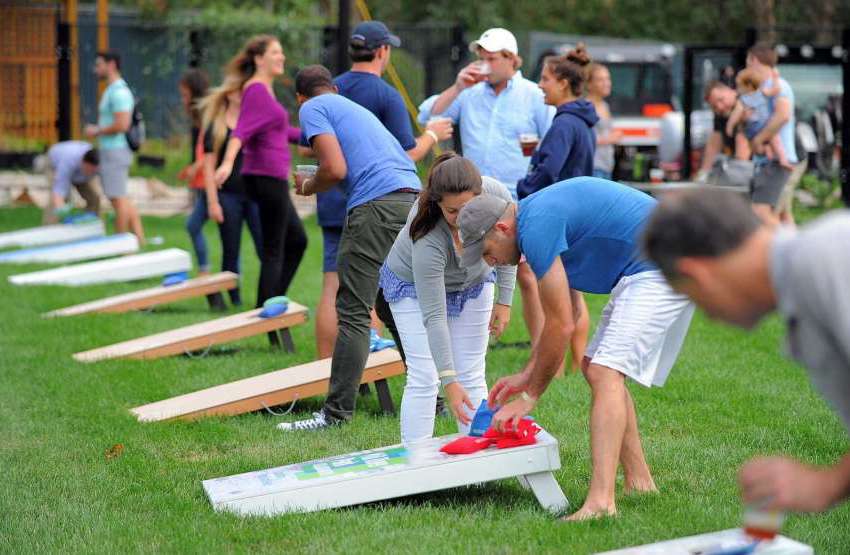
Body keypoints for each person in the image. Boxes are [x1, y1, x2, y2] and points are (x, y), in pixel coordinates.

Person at [457, 177, 694, 520]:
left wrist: (530, 396)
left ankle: (600, 503)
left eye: (485, 251)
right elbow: (560, 317)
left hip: (662, 262)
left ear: (501, 228)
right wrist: (528, 373)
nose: (489, 261)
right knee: (595, 365)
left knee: (604, 370)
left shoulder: (536, 228)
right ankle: (640, 481)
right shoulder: (535, 220)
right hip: (647, 264)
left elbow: (561, 324)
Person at [642, 189, 850, 515]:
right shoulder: (805, 284)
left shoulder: (828, 255)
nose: (710, 317)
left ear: (699, 274)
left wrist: (828, 483)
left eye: (693, 299)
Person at [277, 65, 421, 431]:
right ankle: (432, 398)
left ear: (300, 98)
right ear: (336, 88)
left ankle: (334, 415)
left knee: (353, 309)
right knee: (391, 305)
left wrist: (308, 186)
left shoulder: (313, 107)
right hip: (412, 200)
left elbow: (335, 169)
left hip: (377, 206)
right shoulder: (356, 109)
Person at [310, 20, 453, 359]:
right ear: (382, 51)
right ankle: (368, 363)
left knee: (334, 285)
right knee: (377, 288)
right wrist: (432, 135)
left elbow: (312, 144)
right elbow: (404, 154)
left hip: (333, 196)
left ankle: (323, 367)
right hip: (376, 203)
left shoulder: (332, 91)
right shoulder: (385, 95)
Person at [422, 27, 554, 358]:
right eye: (481, 56)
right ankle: (467, 345)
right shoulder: (469, 92)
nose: (484, 64)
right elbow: (429, 118)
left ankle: (541, 352)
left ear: (512, 60)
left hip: (520, 197)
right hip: (475, 199)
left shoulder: (532, 94)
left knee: (526, 272)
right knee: (470, 263)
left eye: (491, 58)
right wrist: (456, 86)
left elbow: (552, 139)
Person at [379, 153, 516, 441]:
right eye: (451, 211)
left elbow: (511, 243)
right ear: (437, 202)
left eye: (467, 208)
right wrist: (448, 381)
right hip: (413, 288)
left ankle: (477, 458)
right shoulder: (427, 234)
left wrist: (504, 300)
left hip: (475, 281)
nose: (460, 217)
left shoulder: (497, 195)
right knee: (424, 377)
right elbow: (434, 316)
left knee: (473, 372)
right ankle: (416, 465)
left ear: (480, 194)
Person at [515, 46, 598, 371]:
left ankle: (555, 364)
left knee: (560, 301)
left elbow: (549, 170)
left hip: (561, 217)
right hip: (579, 214)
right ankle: (577, 363)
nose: (540, 84)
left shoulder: (564, 123)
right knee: (575, 297)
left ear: (563, 83)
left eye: (546, 79)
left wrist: (525, 192)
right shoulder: (580, 121)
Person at [213, 35, 306, 307]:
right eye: (275, 52)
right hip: (266, 177)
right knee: (274, 250)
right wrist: (228, 162)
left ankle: (270, 304)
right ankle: (266, 313)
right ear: (259, 59)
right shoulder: (255, 89)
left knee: (296, 241)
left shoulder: (265, 90)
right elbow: (241, 130)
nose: (282, 57)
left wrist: (315, 137)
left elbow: (280, 131)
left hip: (269, 177)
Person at [199, 77, 263, 307]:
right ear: (227, 93)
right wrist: (212, 202)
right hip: (228, 196)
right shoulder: (215, 126)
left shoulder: (253, 122)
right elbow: (208, 167)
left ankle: (266, 296)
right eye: (237, 90)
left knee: (265, 247)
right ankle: (233, 299)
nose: (241, 94)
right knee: (231, 249)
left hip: (255, 195)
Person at [85, 50, 145, 242]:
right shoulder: (111, 90)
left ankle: (120, 243)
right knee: (119, 196)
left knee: (118, 199)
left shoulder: (119, 92)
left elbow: (122, 124)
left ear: (111, 65)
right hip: (111, 150)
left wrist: (97, 131)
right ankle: (138, 238)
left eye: (99, 64)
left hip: (116, 150)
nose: (96, 69)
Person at [745, 43, 803, 224]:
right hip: (771, 160)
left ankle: (775, 249)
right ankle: (793, 251)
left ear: (754, 59)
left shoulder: (777, 86)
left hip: (776, 161)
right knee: (783, 216)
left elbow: (782, 116)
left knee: (761, 212)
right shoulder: (765, 86)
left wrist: (759, 140)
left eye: (748, 60)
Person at [178, 69, 214, 276]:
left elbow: (212, 149)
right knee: (193, 225)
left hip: (211, 181)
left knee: (193, 225)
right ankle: (205, 271)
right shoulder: (199, 117)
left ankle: (204, 271)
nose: (183, 100)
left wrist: (197, 166)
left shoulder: (209, 113)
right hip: (202, 181)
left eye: (185, 94)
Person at [725, 68, 789, 169]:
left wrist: (730, 125)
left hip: (753, 128)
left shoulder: (743, 100)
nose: (737, 89)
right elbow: (776, 90)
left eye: (739, 86)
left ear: (748, 85)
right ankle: (782, 159)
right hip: (765, 125)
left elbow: (736, 114)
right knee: (775, 141)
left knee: (757, 145)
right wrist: (775, 78)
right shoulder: (763, 92)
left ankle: (771, 156)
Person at [701, 80, 751, 179]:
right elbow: (713, 145)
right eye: (714, 106)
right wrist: (703, 175)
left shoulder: (745, 105)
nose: (720, 107)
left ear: (730, 91)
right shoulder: (721, 114)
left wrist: (737, 175)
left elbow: (743, 146)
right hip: (741, 168)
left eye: (721, 100)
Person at [43, 141, 100, 224]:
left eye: (94, 171)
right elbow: (59, 190)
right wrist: (61, 208)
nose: (91, 173)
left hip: (78, 170)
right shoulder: (68, 161)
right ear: (83, 163)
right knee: (60, 201)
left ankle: (91, 226)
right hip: (54, 165)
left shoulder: (99, 163)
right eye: (89, 170)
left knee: (94, 198)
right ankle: (50, 229)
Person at [586, 63, 622, 180]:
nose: (606, 83)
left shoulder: (605, 105)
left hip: (607, 166)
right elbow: (583, 138)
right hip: (593, 167)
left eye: (608, 79)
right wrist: (609, 139)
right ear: (589, 84)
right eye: (600, 80)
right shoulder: (586, 107)